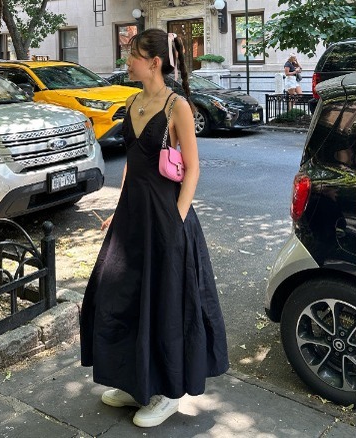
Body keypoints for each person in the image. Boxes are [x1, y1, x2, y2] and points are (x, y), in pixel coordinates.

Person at [80, 28, 229, 428]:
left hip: (167, 216)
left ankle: (166, 394)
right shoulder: (132, 101)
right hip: (133, 217)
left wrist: (176, 220)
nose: (126, 61)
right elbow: (133, 163)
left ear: (154, 62)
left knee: (165, 302)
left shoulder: (177, 106)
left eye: (132, 55)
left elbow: (193, 169)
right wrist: (118, 207)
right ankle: (134, 381)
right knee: (124, 296)